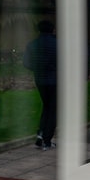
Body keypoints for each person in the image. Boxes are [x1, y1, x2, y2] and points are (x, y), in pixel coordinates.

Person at [24, 20, 57, 150]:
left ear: (39, 30)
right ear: (52, 30)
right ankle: (47, 141)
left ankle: (40, 134)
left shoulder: (32, 45)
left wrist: (38, 68)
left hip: (40, 80)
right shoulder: (58, 44)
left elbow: (26, 63)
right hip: (55, 81)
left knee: (47, 106)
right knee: (53, 110)